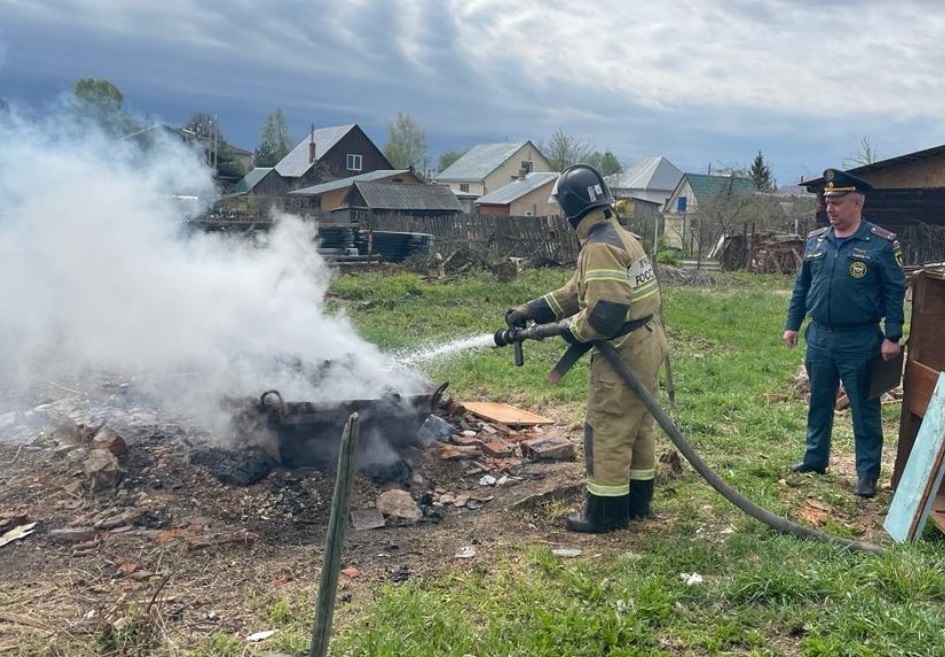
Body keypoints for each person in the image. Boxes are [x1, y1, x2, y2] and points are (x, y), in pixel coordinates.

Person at [506, 164, 667, 533]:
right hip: (647, 342)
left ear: (570, 210)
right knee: (638, 425)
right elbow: (575, 290)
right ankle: (637, 504)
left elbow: (604, 316)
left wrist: (567, 328)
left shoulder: (599, 247)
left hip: (624, 349)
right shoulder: (617, 236)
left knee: (609, 427)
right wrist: (530, 310)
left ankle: (606, 515)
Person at [783, 168, 906, 498]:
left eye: (837, 202)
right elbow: (802, 286)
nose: (830, 208)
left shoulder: (880, 243)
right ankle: (814, 458)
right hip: (820, 336)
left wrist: (892, 335)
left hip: (860, 339)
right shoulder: (815, 241)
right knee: (819, 401)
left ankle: (867, 474)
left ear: (857, 204)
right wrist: (792, 324)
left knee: (865, 408)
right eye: (827, 201)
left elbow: (895, 291)